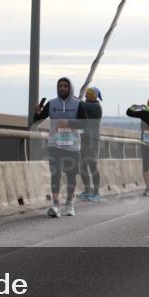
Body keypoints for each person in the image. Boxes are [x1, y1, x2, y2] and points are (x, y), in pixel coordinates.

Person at [34, 77, 87, 217]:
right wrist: (37, 113)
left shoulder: (78, 104)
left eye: (65, 86)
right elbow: (37, 122)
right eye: (60, 86)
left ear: (70, 88)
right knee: (55, 174)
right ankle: (55, 205)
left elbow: (85, 124)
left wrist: (69, 124)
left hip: (73, 147)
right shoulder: (51, 104)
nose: (62, 88)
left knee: (70, 176)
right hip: (54, 145)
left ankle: (69, 204)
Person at [79, 87, 103, 202]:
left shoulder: (96, 107)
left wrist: (75, 99)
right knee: (82, 165)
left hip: (93, 139)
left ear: (94, 96)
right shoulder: (86, 105)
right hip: (84, 138)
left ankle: (96, 192)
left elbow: (83, 105)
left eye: (88, 94)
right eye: (86, 94)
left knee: (92, 165)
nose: (86, 96)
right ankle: (87, 190)